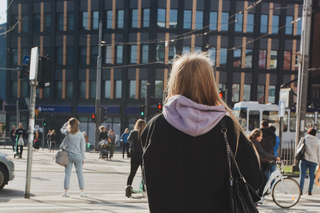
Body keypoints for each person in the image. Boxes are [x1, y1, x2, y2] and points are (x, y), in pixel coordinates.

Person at [140, 53, 263, 212]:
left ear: (175, 82)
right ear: (209, 83)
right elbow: (255, 179)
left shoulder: (156, 126)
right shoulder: (228, 127)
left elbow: (148, 179)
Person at [249, 128, 280, 204]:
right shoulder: (256, 143)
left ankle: (257, 197)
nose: (262, 138)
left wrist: (265, 159)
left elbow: (258, 155)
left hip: (253, 164)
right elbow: (262, 152)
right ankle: (259, 197)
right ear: (257, 136)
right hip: (254, 165)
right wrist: (275, 158)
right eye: (261, 136)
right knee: (263, 179)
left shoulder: (252, 142)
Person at [60, 117, 86, 197]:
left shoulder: (67, 133)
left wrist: (67, 123)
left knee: (67, 173)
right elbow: (82, 147)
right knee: (80, 173)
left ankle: (66, 192)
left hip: (68, 155)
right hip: (78, 155)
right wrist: (83, 158)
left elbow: (62, 129)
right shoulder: (81, 134)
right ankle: (82, 192)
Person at [126, 119, 146, 197]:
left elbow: (129, 140)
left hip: (134, 155)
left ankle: (128, 187)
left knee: (132, 173)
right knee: (144, 174)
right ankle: (144, 190)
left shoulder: (133, 132)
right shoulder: (146, 132)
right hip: (143, 155)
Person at [298, 128, 320, 196]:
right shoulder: (317, 141)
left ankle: (300, 190)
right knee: (311, 176)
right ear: (315, 134)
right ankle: (309, 191)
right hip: (313, 161)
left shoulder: (304, 139)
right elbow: (318, 153)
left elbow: (298, 148)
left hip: (304, 159)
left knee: (302, 176)